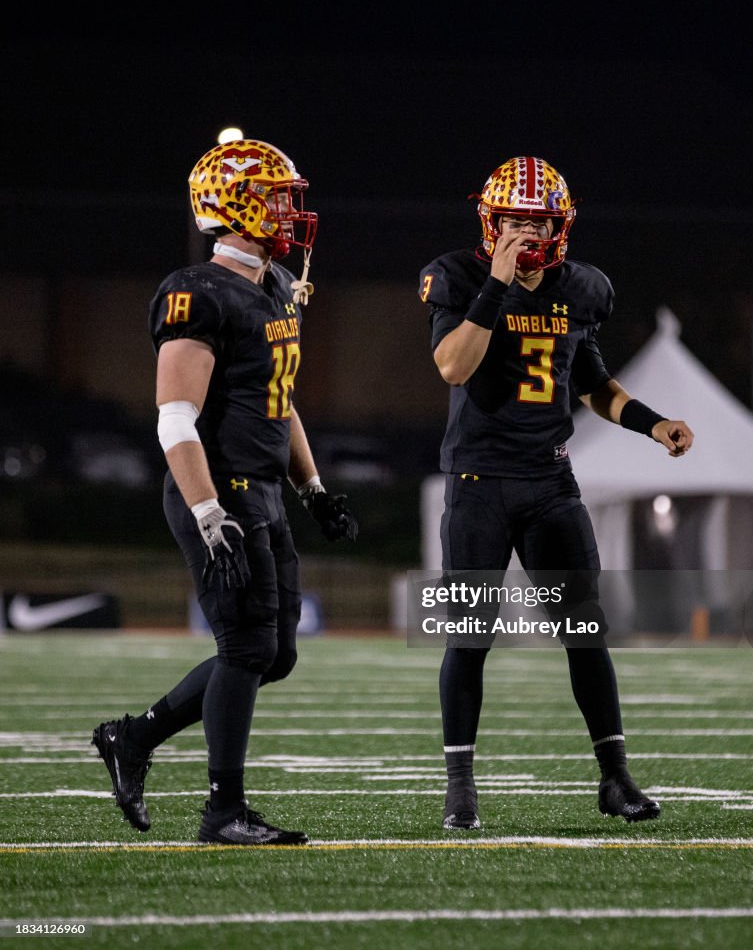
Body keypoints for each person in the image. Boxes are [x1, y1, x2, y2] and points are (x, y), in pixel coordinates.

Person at [93, 139, 357, 845]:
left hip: (264, 490)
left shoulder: (270, 288)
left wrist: (315, 488)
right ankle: (224, 811)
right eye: (275, 196)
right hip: (220, 494)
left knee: (277, 653)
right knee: (244, 647)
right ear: (233, 204)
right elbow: (175, 417)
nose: (288, 210)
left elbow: (280, 401)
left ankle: (134, 737)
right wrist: (210, 514)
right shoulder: (196, 291)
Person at [418, 155, 693, 830]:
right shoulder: (456, 275)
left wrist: (650, 422)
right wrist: (498, 285)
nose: (519, 231)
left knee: (584, 631)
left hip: (549, 484)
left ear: (558, 226)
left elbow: (592, 381)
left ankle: (615, 778)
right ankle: (460, 789)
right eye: (508, 220)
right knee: (469, 637)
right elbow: (453, 366)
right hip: (478, 483)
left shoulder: (581, 288)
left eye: (533, 221)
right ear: (488, 222)